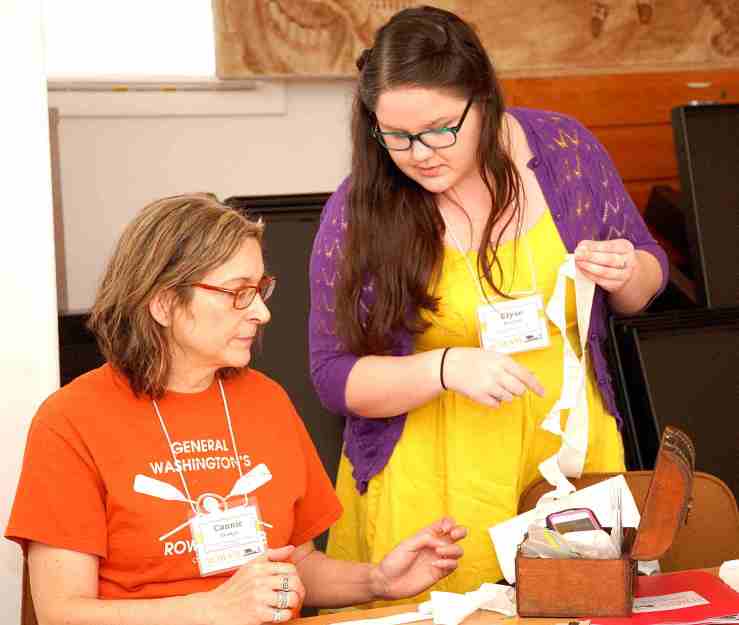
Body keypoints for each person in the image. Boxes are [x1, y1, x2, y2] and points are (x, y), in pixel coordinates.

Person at [308, 5, 668, 602]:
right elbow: (332, 377)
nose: (421, 152)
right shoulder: (360, 209)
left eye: (441, 128)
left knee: (580, 605)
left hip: (569, 450)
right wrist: (444, 367)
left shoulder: (563, 151)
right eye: (395, 135)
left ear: (484, 99)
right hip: (435, 474)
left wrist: (628, 270)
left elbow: (644, 284)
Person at [6, 193, 466, 625]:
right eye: (237, 292)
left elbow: (297, 565)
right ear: (164, 303)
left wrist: (378, 580)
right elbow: (62, 612)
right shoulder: (71, 419)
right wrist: (212, 608)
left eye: (260, 289)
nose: (262, 314)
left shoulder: (265, 400)